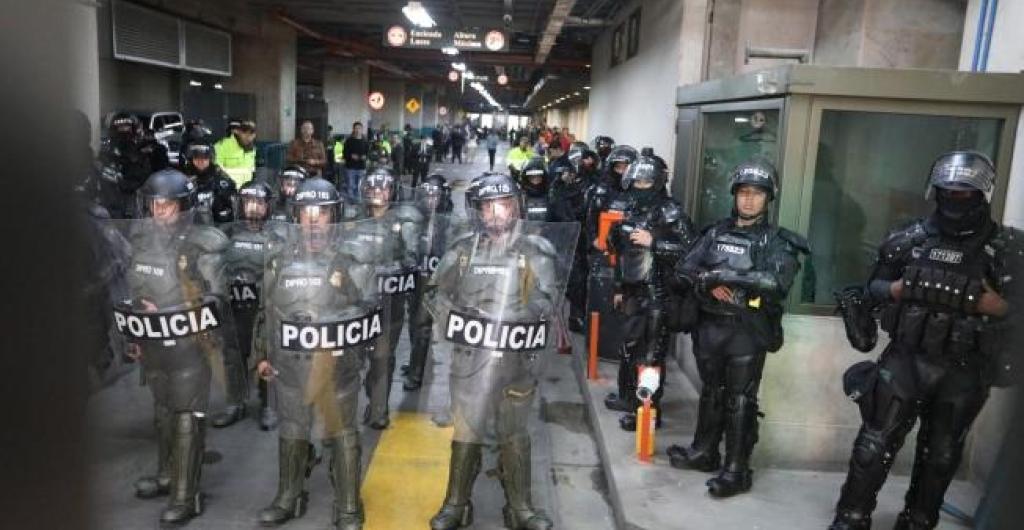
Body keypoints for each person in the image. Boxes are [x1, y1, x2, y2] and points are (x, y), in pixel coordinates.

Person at [828, 152, 1012, 530]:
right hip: (906, 359)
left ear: (984, 194)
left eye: (965, 193)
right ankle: (851, 516)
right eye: (947, 192)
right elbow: (872, 289)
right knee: (872, 445)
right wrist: (894, 288)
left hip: (963, 368)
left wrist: (999, 307)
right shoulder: (908, 239)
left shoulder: (1007, 250)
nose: (955, 199)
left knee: (941, 455)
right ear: (935, 191)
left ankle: (918, 520)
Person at [425, 173, 569, 530]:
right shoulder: (462, 250)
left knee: (514, 433)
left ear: (516, 207)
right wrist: (454, 319)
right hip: (470, 360)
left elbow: (547, 299)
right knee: (466, 432)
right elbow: (433, 292)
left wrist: (514, 318)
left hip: (516, 360)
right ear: (477, 212)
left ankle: (520, 507)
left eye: (502, 205)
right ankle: (455, 503)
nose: (495, 214)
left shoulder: (536, 251)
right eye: (487, 207)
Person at [667, 159, 808, 498]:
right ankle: (704, 452)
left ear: (768, 198)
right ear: (734, 195)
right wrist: (706, 281)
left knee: (740, 400)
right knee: (712, 392)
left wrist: (724, 275)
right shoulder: (715, 232)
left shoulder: (777, 241)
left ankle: (737, 469)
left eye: (757, 194)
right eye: (743, 193)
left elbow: (776, 283)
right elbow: (684, 270)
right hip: (710, 326)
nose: (748, 200)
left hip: (747, 329)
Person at [253, 176, 381, 529]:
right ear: (296, 216)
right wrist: (262, 355)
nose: (312, 220)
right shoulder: (278, 260)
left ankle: (349, 504)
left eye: (321, 213)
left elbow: (370, 308)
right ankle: (288, 496)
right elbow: (268, 313)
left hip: (338, 364)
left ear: (334, 216)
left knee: (342, 432)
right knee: (292, 428)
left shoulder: (354, 258)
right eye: (306, 212)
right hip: (291, 366)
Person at [115, 168, 231, 525]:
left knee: (186, 416)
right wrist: (134, 329)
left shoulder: (204, 243)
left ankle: (187, 494)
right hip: (153, 344)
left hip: (190, 344)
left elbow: (216, 300)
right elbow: (133, 290)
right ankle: (168, 475)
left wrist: (168, 312)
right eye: (154, 205)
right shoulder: (140, 240)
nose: (159, 213)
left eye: (167, 206)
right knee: (163, 410)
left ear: (184, 207)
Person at [602, 154, 696, 431]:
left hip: (659, 295)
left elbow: (691, 251)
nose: (640, 186)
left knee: (652, 355)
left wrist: (655, 242)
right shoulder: (630, 209)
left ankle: (649, 410)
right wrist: (619, 287)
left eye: (646, 182)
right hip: (632, 291)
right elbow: (620, 252)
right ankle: (630, 399)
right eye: (637, 181)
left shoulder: (672, 212)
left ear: (657, 183)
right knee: (630, 348)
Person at [351, 168, 424, 429]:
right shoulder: (353, 220)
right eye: (373, 188)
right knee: (350, 360)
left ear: (392, 192)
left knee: (382, 357)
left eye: (383, 189)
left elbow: (412, 259)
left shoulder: (403, 223)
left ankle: (379, 408)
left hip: (387, 304)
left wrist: (395, 269)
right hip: (355, 305)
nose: (378, 194)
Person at [217, 179, 279, 430]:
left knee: (266, 353)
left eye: (259, 203)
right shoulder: (227, 234)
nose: (253, 207)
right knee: (233, 354)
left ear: (268, 207)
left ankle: (269, 404)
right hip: (233, 306)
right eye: (248, 202)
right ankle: (235, 402)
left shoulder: (277, 237)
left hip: (263, 308)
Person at [402, 173, 455, 391]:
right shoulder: (416, 218)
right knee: (413, 319)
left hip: (435, 279)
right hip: (416, 275)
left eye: (436, 195)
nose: (431, 200)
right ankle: (416, 361)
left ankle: (416, 373)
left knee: (423, 324)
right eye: (428, 195)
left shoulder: (449, 221)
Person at [550, 153, 593, 332]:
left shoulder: (585, 187)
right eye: (566, 173)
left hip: (580, 239)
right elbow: (554, 213)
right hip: (562, 239)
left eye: (572, 173)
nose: (569, 176)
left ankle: (576, 317)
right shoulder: (556, 189)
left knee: (579, 279)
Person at [98, 111, 170, 218]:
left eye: (127, 128)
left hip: (143, 208)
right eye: (120, 129)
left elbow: (161, 177)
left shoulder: (147, 152)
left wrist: (157, 153)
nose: (124, 132)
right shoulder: (106, 156)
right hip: (115, 209)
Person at [181, 142, 236, 225]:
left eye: (204, 158)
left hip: (216, 226)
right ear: (191, 159)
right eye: (197, 157)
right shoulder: (183, 178)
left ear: (210, 159)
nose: (200, 161)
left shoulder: (221, 179)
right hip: (190, 226)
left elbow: (231, 208)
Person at [214, 118, 257, 187]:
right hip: (227, 188)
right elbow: (217, 169)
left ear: (254, 135)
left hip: (247, 190)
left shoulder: (252, 148)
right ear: (237, 131)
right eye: (244, 132)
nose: (247, 136)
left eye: (251, 133)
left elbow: (251, 170)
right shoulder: (221, 146)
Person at [520, 156, 552, 222]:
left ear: (544, 177)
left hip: (548, 230)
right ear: (526, 178)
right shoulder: (520, 198)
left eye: (538, 176)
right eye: (532, 177)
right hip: (526, 231)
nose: (535, 179)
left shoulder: (552, 195)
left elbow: (561, 219)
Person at [343, 122, 369, 198]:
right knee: (351, 186)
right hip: (350, 168)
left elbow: (368, 153)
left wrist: (365, 157)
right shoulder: (349, 141)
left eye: (359, 128)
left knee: (360, 187)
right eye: (356, 128)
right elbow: (344, 154)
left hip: (361, 168)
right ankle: (351, 203)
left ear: (362, 130)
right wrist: (351, 156)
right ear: (353, 129)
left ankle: (359, 202)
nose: (357, 130)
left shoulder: (365, 141)